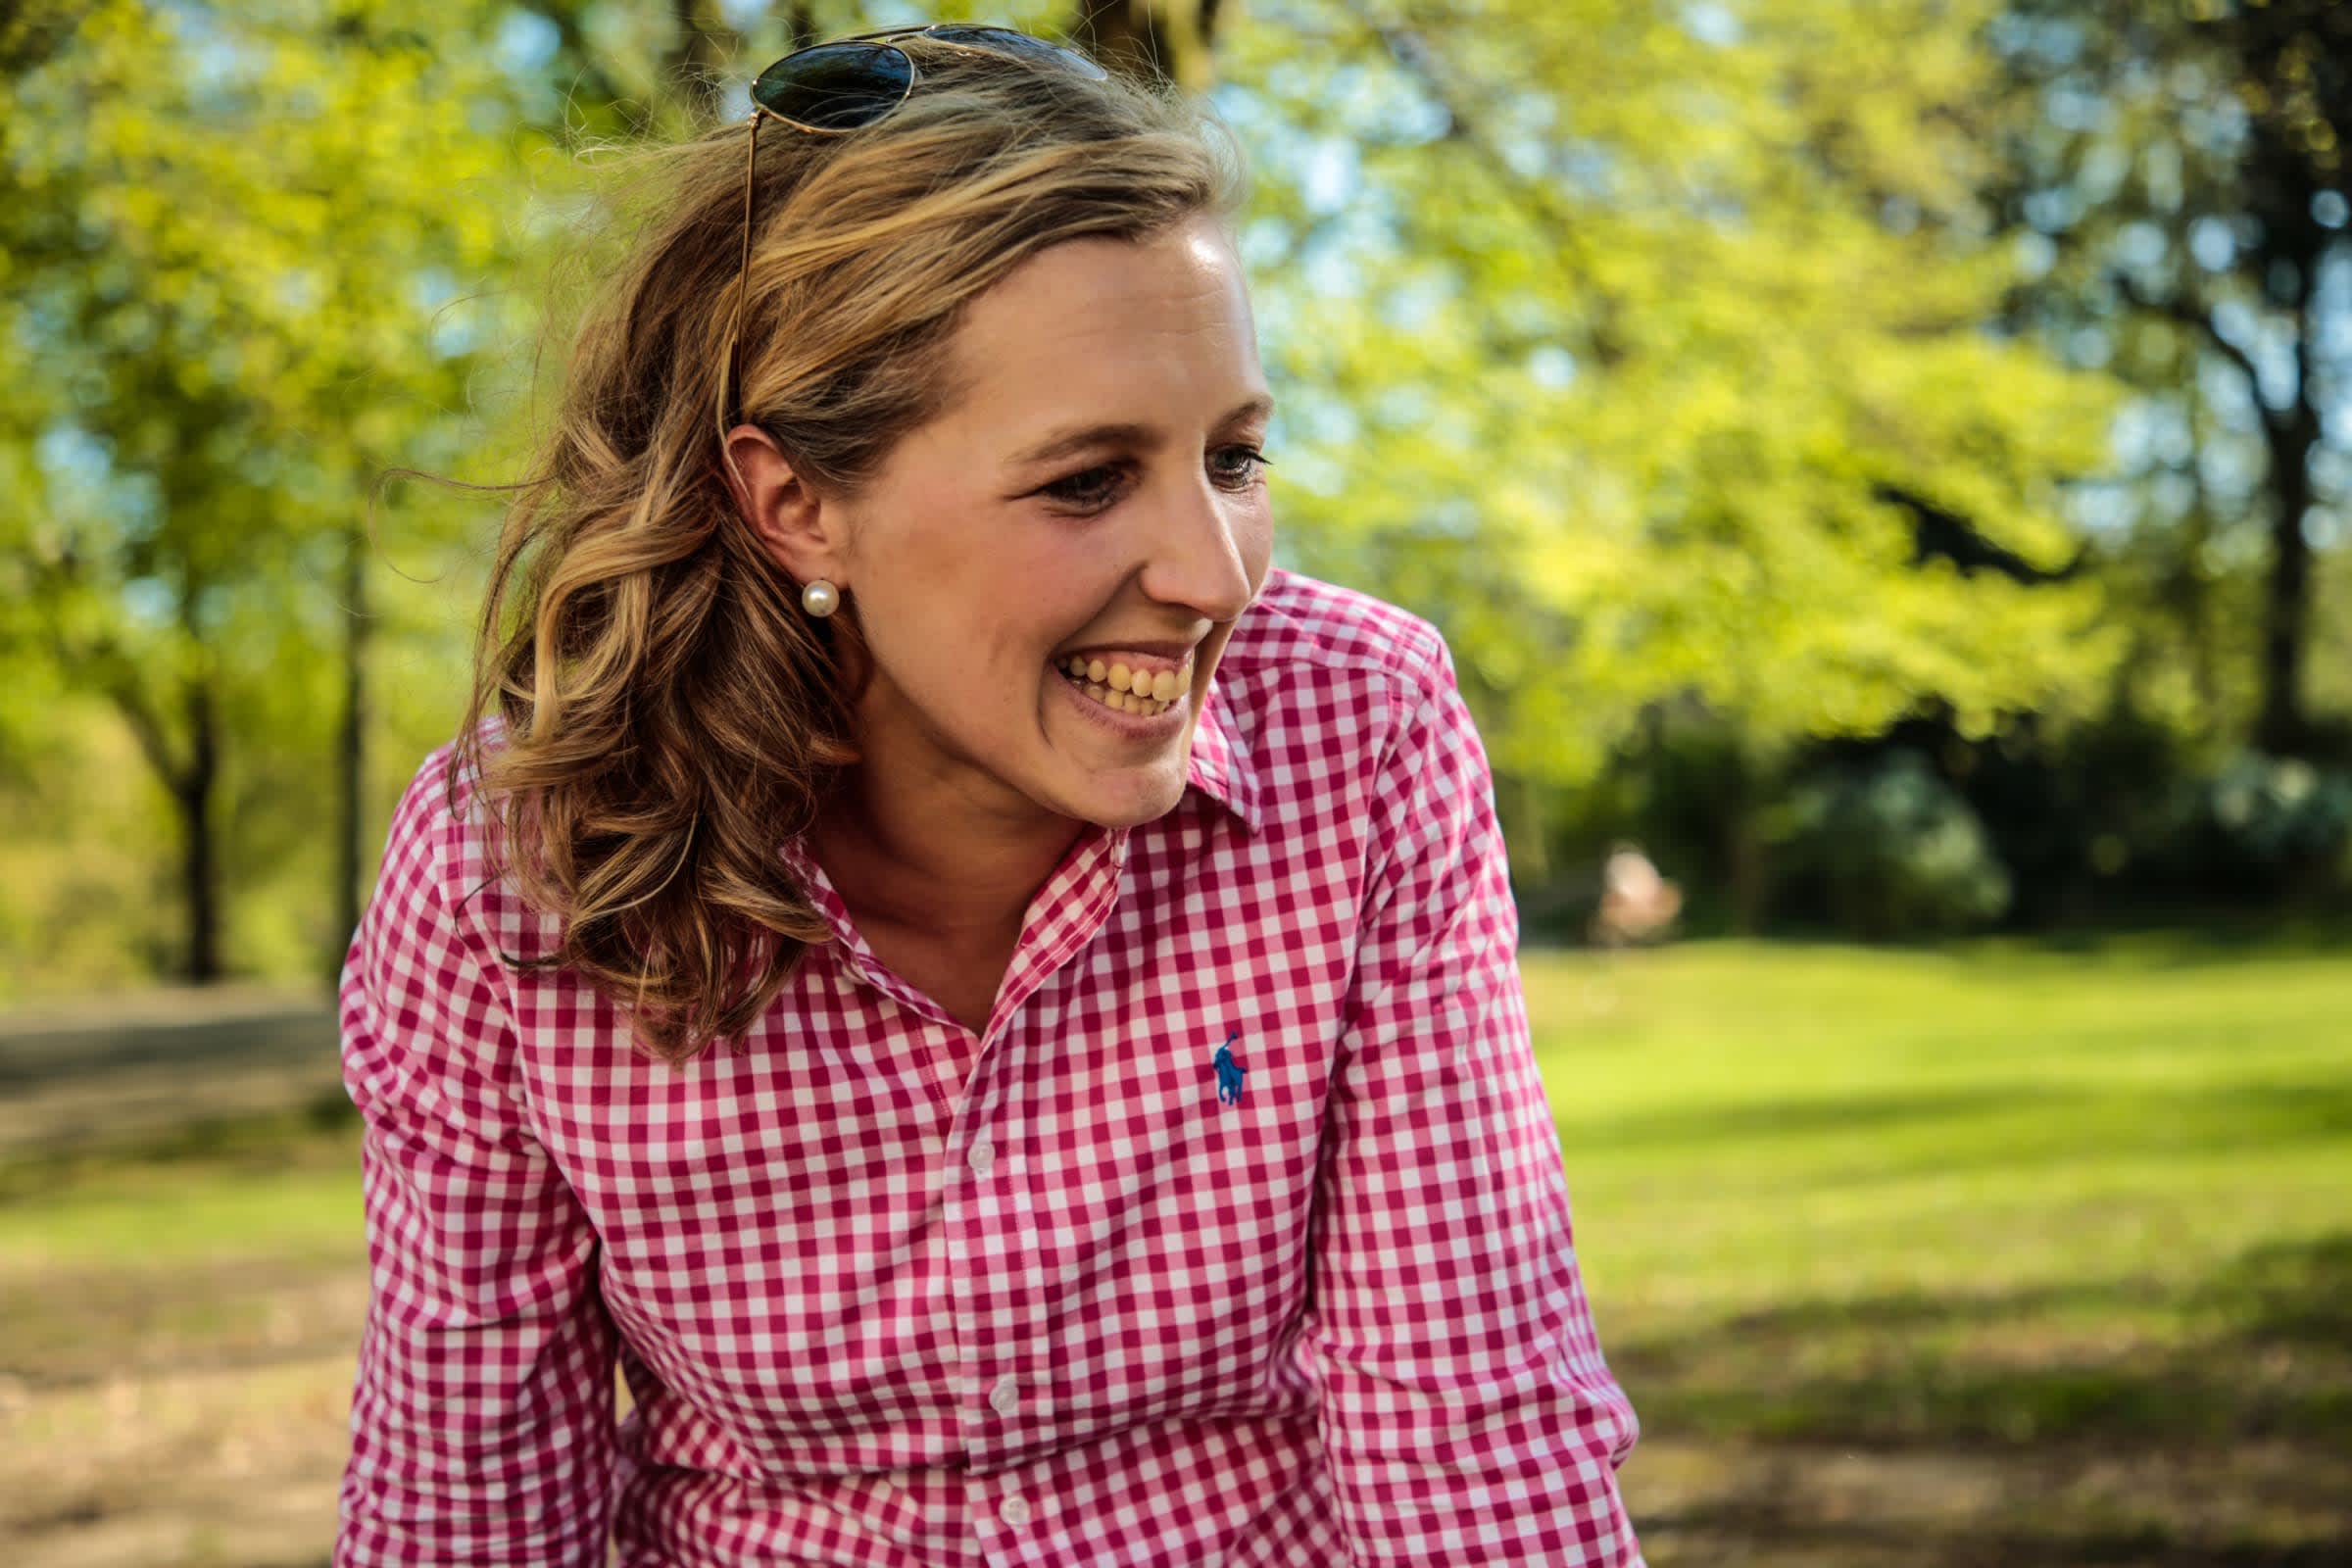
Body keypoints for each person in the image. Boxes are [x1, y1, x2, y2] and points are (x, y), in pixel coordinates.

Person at [333, 22, 1643, 1568]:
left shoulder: (1358, 728)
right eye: (1087, 480)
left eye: (1233, 458)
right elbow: (467, 1507)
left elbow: (1470, 1416)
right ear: (799, 504)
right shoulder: (516, 875)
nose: (1213, 576)